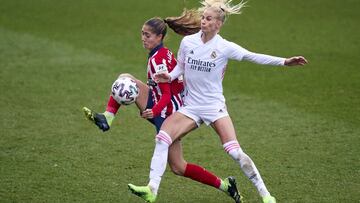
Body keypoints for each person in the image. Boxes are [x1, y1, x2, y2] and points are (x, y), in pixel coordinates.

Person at [127, 1, 308, 203]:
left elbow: (252, 56)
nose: (203, 21)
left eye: (208, 19)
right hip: (191, 107)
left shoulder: (224, 47)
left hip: (214, 107)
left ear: (218, 24)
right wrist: (169, 76)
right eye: (203, 17)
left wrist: (284, 61)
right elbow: (180, 67)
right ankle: (152, 189)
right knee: (162, 138)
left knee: (235, 152)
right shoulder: (188, 42)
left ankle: (266, 195)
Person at [83, 17, 242, 203]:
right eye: (142, 33)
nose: (143, 38)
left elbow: (166, 95)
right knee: (126, 77)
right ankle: (107, 118)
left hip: (168, 111)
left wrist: (154, 111)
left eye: (148, 35)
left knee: (178, 167)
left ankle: (224, 186)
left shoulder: (158, 60)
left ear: (159, 37)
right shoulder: (161, 52)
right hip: (162, 100)